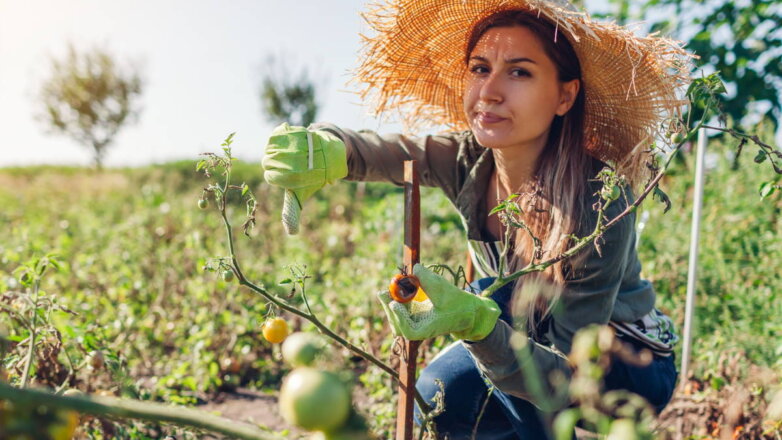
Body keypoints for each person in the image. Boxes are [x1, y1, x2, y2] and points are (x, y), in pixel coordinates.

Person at [262, 0, 689, 438]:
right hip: (527, 348)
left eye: (519, 72)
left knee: (495, 297)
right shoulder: (468, 159)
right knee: (438, 397)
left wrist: (478, 323)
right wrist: (328, 149)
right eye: (480, 68)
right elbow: (379, 152)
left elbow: (566, 375)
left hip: (624, 368)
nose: (489, 91)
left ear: (565, 95)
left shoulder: (599, 199)